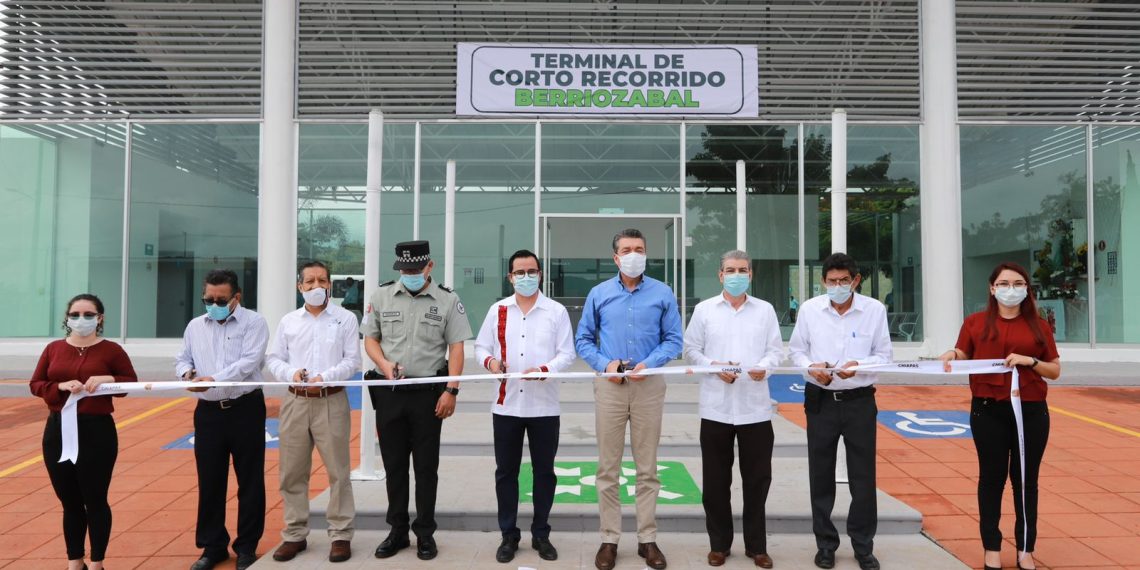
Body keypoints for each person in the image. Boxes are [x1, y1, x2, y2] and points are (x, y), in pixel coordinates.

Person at [575, 228, 684, 570]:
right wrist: (604, 363)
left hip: (649, 385)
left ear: (646, 253)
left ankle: (647, 539)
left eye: (639, 248)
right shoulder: (599, 293)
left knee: (647, 468)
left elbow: (674, 340)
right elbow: (583, 340)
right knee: (608, 468)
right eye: (627, 249)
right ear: (616, 257)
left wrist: (649, 364)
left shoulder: (663, 292)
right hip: (610, 385)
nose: (633, 254)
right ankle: (609, 539)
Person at [939, 262, 1060, 570]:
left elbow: (1054, 370)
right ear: (992, 289)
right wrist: (953, 354)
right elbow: (964, 353)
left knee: (1025, 480)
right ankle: (991, 546)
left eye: (1018, 283)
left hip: (1031, 411)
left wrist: (1030, 361)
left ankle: (1025, 548)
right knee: (991, 479)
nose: (1011, 289)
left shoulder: (1039, 326)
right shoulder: (975, 323)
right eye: (1004, 284)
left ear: (1027, 289)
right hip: (988, 410)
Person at [361, 240, 472, 561]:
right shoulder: (381, 295)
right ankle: (397, 531)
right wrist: (384, 365)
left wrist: (452, 391)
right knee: (394, 467)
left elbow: (457, 348)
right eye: (404, 270)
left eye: (415, 269)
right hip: (390, 393)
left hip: (428, 396)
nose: (409, 275)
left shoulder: (448, 300)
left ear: (429, 267)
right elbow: (371, 339)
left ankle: (425, 533)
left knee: (426, 468)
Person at [789, 252, 891, 570]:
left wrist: (859, 367)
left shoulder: (874, 311)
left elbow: (884, 354)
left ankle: (862, 545)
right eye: (831, 282)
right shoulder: (810, 310)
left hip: (859, 399)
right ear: (823, 282)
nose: (837, 286)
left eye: (843, 281)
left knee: (863, 476)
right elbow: (796, 350)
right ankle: (826, 544)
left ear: (855, 280)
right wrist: (810, 368)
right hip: (820, 399)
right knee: (821, 475)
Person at [683, 250, 783, 568]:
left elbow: (776, 351)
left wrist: (763, 368)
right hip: (716, 409)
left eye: (742, 270)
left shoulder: (764, 311)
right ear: (720, 275)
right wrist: (714, 367)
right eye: (730, 270)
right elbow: (690, 350)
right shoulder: (704, 311)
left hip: (755, 408)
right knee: (715, 483)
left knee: (757, 480)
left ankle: (757, 546)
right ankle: (719, 545)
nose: (736, 275)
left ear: (750, 275)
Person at [474, 249, 576, 564]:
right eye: (520, 272)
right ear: (510, 277)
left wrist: (545, 370)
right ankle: (509, 535)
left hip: (544, 407)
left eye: (531, 271)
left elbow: (567, 354)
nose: (526, 277)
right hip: (506, 407)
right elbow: (481, 347)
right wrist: (490, 362)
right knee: (507, 473)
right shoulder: (498, 310)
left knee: (544, 473)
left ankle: (541, 533)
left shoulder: (555, 311)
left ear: (540, 274)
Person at [30, 293, 138, 570]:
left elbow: (130, 383)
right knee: (69, 500)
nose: (81, 320)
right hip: (57, 431)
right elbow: (36, 383)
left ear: (100, 318)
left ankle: (97, 561)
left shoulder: (112, 350)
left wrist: (108, 379)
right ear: (67, 318)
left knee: (95, 498)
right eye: (75, 314)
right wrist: (60, 387)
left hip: (96, 433)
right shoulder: (53, 348)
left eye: (88, 315)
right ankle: (74, 560)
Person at [175, 269, 270, 570]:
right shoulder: (195, 326)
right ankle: (212, 546)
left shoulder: (254, 323)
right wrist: (187, 375)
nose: (213, 304)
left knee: (250, 480)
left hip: (245, 408)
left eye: (221, 299)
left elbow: (249, 363)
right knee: (210, 480)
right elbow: (182, 358)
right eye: (208, 299)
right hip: (208, 413)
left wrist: (212, 378)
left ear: (236, 298)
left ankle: (246, 547)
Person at [267, 261, 361, 563]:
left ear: (330, 285)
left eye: (322, 281)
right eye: (309, 281)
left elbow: (352, 361)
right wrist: (292, 373)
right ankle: (295, 534)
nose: (316, 286)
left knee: (338, 471)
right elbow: (274, 358)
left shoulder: (345, 319)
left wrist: (326, 377)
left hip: (331, 400)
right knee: (292, 471)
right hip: (295, 401)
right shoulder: (289, 321)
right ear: (300, 287)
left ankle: (341, 534)